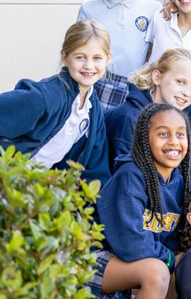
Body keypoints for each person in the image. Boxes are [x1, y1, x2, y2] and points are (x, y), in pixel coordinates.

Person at [89, 103, 191, 299]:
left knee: (175, 266)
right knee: (158, 271)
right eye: (163, 134)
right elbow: (130, 243)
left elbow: (173, 241)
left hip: (136, 269)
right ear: (145, 139)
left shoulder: (179, 182)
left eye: (180, 134)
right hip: (100, 261)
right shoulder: (130, 175)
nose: (174, 141)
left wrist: (174, 257)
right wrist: (168, 259)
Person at [0, 20, 111, 185]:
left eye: (97, 58)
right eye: (80, 57)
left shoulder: (93, 111)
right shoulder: (45, 97)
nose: (89, 65)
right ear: (65, 57)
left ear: (107, 59)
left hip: (36, 192)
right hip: (8, 180)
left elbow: (96, 172)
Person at [78, 0, 161, 109]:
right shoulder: (89, 10)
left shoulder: (154, 9)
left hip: (140, 92)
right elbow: (78, 55)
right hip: (99, 91)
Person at [104, 48, 191, 171]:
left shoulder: (183, 119)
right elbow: (126, 177)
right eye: (180, 82)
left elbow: (183, 172)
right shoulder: (129, 117)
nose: (187, 93)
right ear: (157, 77)